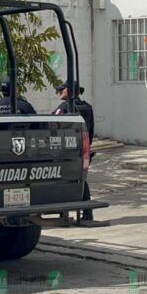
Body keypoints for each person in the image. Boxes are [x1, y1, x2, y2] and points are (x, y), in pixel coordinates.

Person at [53, 83, 96, 221]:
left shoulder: (64, 108)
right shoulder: (88, 107)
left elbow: (53, 126)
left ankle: (63, 214)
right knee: (82, 179)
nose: (59, 91)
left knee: (61, 179)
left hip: (65, 151)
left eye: (62, 89)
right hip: (82, 150)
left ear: (70, 91)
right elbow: (91, 131)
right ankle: (87, 214)